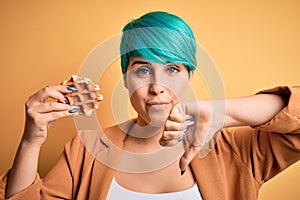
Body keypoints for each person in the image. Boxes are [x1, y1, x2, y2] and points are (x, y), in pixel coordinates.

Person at [1, 11, 300, 200]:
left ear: (190, 76)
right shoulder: (88, 148)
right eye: (143, 70)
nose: (158, 86)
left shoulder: (235, 149)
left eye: (173, 69)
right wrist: (32, 140)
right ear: (125, 77)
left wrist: (220, 111)